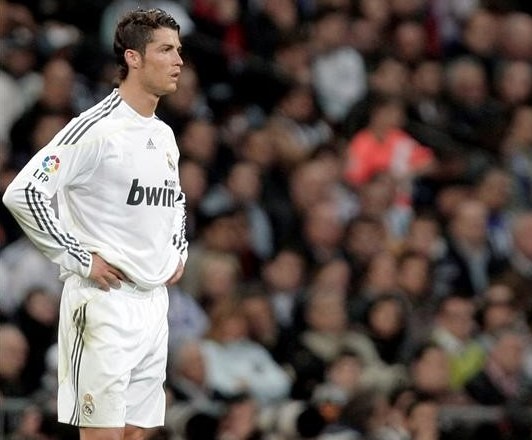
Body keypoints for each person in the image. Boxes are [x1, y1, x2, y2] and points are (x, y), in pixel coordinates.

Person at [2, 8, 188, 440]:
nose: (179, 60)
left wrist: (178, 248)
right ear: (133, 58)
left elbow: (176, 199)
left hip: (153, 303)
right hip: (105, 303)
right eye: (165, 50)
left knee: (136, 434)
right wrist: (80, 257)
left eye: (178, 50)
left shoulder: (163, 134)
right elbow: (23, 192)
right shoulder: (94, 129)